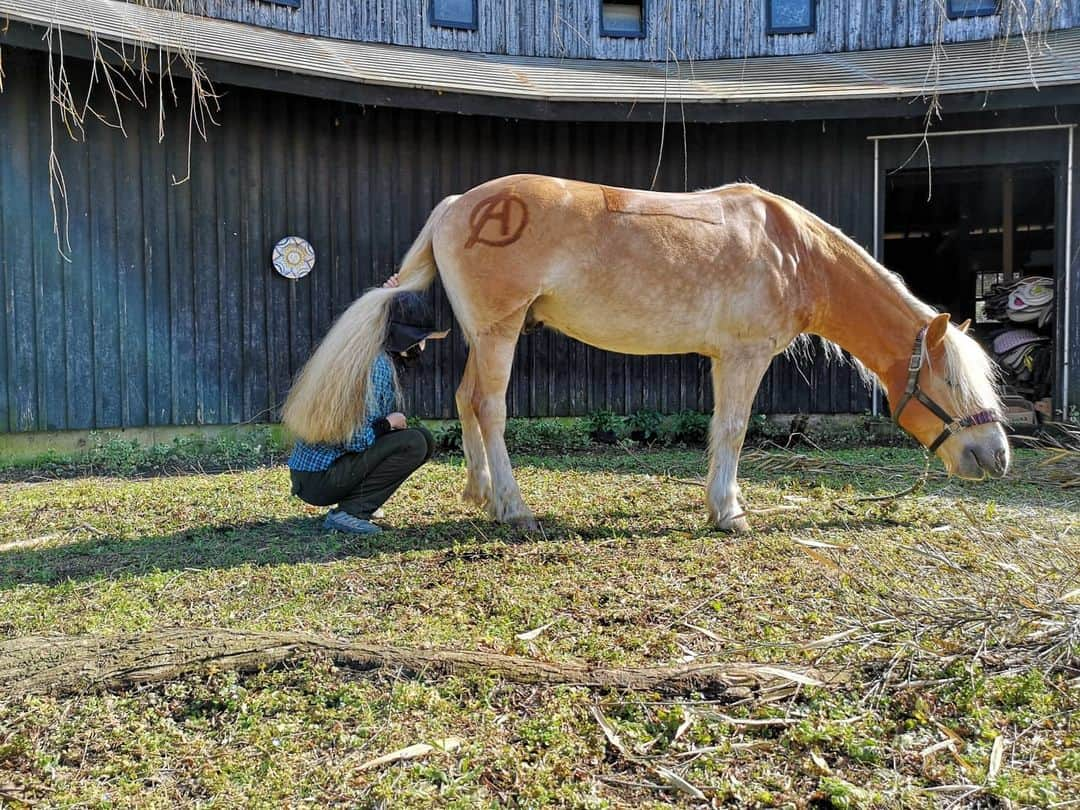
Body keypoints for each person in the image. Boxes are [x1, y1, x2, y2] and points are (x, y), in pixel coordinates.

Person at [287, 275, 448, 534]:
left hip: (311, 475)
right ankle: (349, 513)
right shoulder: (377, 365)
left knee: (420, 439)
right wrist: (388, 423)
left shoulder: (354, 352)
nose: (423, 345)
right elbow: (356, 439)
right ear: (403, 337)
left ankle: (358, 505)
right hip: (322, 478)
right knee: (415, 442)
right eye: (421, 337)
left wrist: (389, 297)